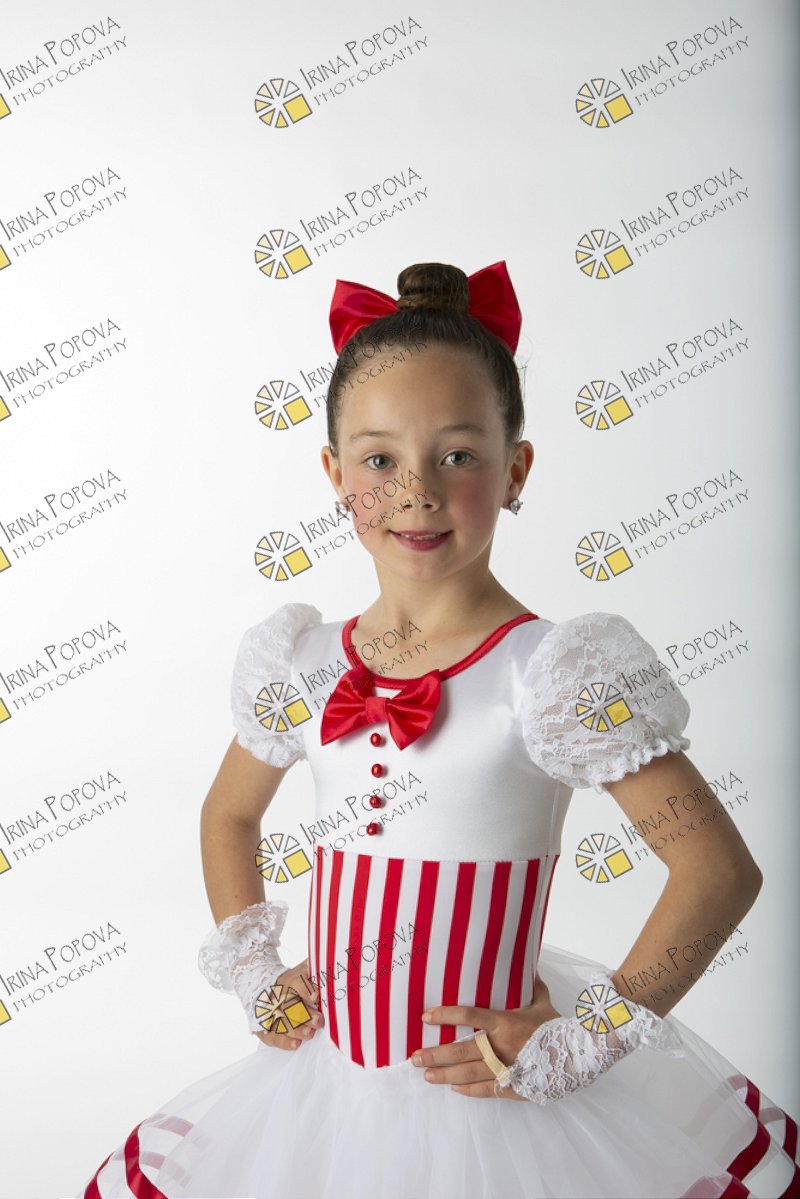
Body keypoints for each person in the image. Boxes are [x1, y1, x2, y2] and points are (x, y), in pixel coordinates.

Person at [76, 261, 799, 1199]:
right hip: (325, 1092)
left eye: (457, 455)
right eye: (379, 460)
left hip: (494, 1111)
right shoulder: (301, 660)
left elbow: (717, 870)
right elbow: (228, 816)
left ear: (516, 469)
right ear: (335, 475)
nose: (415, 491)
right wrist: (257, 976)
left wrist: (589, 1039)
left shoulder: (556, 673)